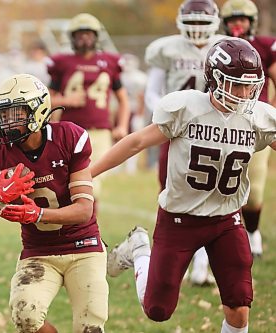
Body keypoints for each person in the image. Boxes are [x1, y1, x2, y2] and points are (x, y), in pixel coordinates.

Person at [90, 37, 274, 333]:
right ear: (214, 79)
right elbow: (136, 142)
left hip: (227, 219)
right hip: (179, 219)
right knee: (158, 310)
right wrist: (89, 173)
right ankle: (139, 251)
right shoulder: (187, 108)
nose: (244, 93)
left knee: (239, 305)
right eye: (235, 84)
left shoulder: (258, 118)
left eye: (249, 85)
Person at [0, 74, 108, 333]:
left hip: (83, 246)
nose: (6, 122)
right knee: (25, 316)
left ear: (38, 110)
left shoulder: (70, 137)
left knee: (90, 327)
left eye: (15, 114)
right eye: (3, 115)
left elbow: (83, 210)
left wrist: (37, 214)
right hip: (39, 252)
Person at [144, 0, 224, 285]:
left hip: (215, 130)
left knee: (212, 192)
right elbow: (151, 93)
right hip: (176, 130)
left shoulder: (226, 46)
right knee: (170, 192)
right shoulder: (166, 48)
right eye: (193, 22)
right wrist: (172, 116)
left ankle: (203, 262)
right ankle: (174, 256)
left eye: (204, 22)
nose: (198, 28)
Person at [47, 13, 130, 194]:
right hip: (68, 130)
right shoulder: (61, 62)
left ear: (96, 36)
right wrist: (66, 101)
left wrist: (122, 126)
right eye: (80, 34)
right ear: (72, 37)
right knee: (67, 179)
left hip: (100, 130)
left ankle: (86, 220)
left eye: (89, 34)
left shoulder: (109, 61)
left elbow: (123, 99)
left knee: (91, 181)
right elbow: (46, 98)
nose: (84, 38)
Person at [220, 0, 276, 257]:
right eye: (233, 20)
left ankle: (253, 233)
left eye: (242, 19)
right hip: (224, 121)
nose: (237, 24)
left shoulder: (264, 45)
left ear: (252, 22)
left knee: (254, 192)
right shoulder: (219, 45)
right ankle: (222, 237)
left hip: (256, 122)